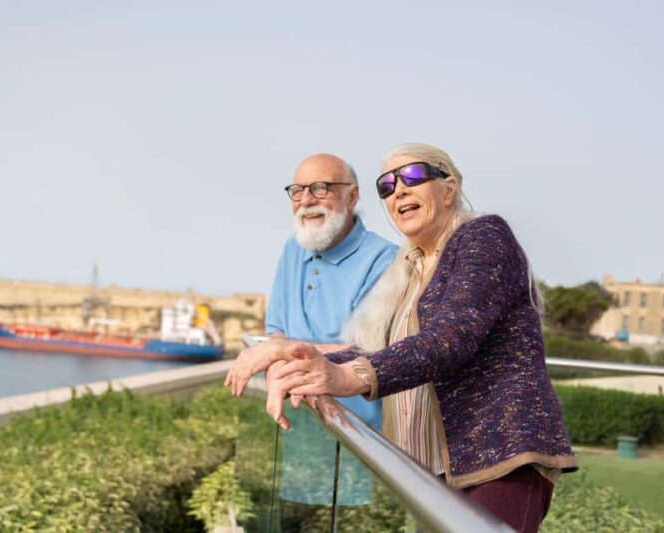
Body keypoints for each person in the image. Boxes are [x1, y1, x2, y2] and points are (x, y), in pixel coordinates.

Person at [259, 144, 578, 532]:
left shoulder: (483, 236)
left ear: (449, 188)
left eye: (412, 176)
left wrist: (348, 377)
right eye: (387, 186)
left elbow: (449, 339)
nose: (399, 190)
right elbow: (382, 352)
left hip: (497, 459)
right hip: (431, 470)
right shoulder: (409, 268)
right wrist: (296, 360)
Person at [226, 153, 397, 509]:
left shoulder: (386, 260)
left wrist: (280, 351)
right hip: (294, 431)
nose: (306, 200)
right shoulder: (294, 247)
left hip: (354, 438)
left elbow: (372, 351)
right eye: (297, 191)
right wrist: (279, 349)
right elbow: (276, 333)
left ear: (351, 196)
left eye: (320, 189)